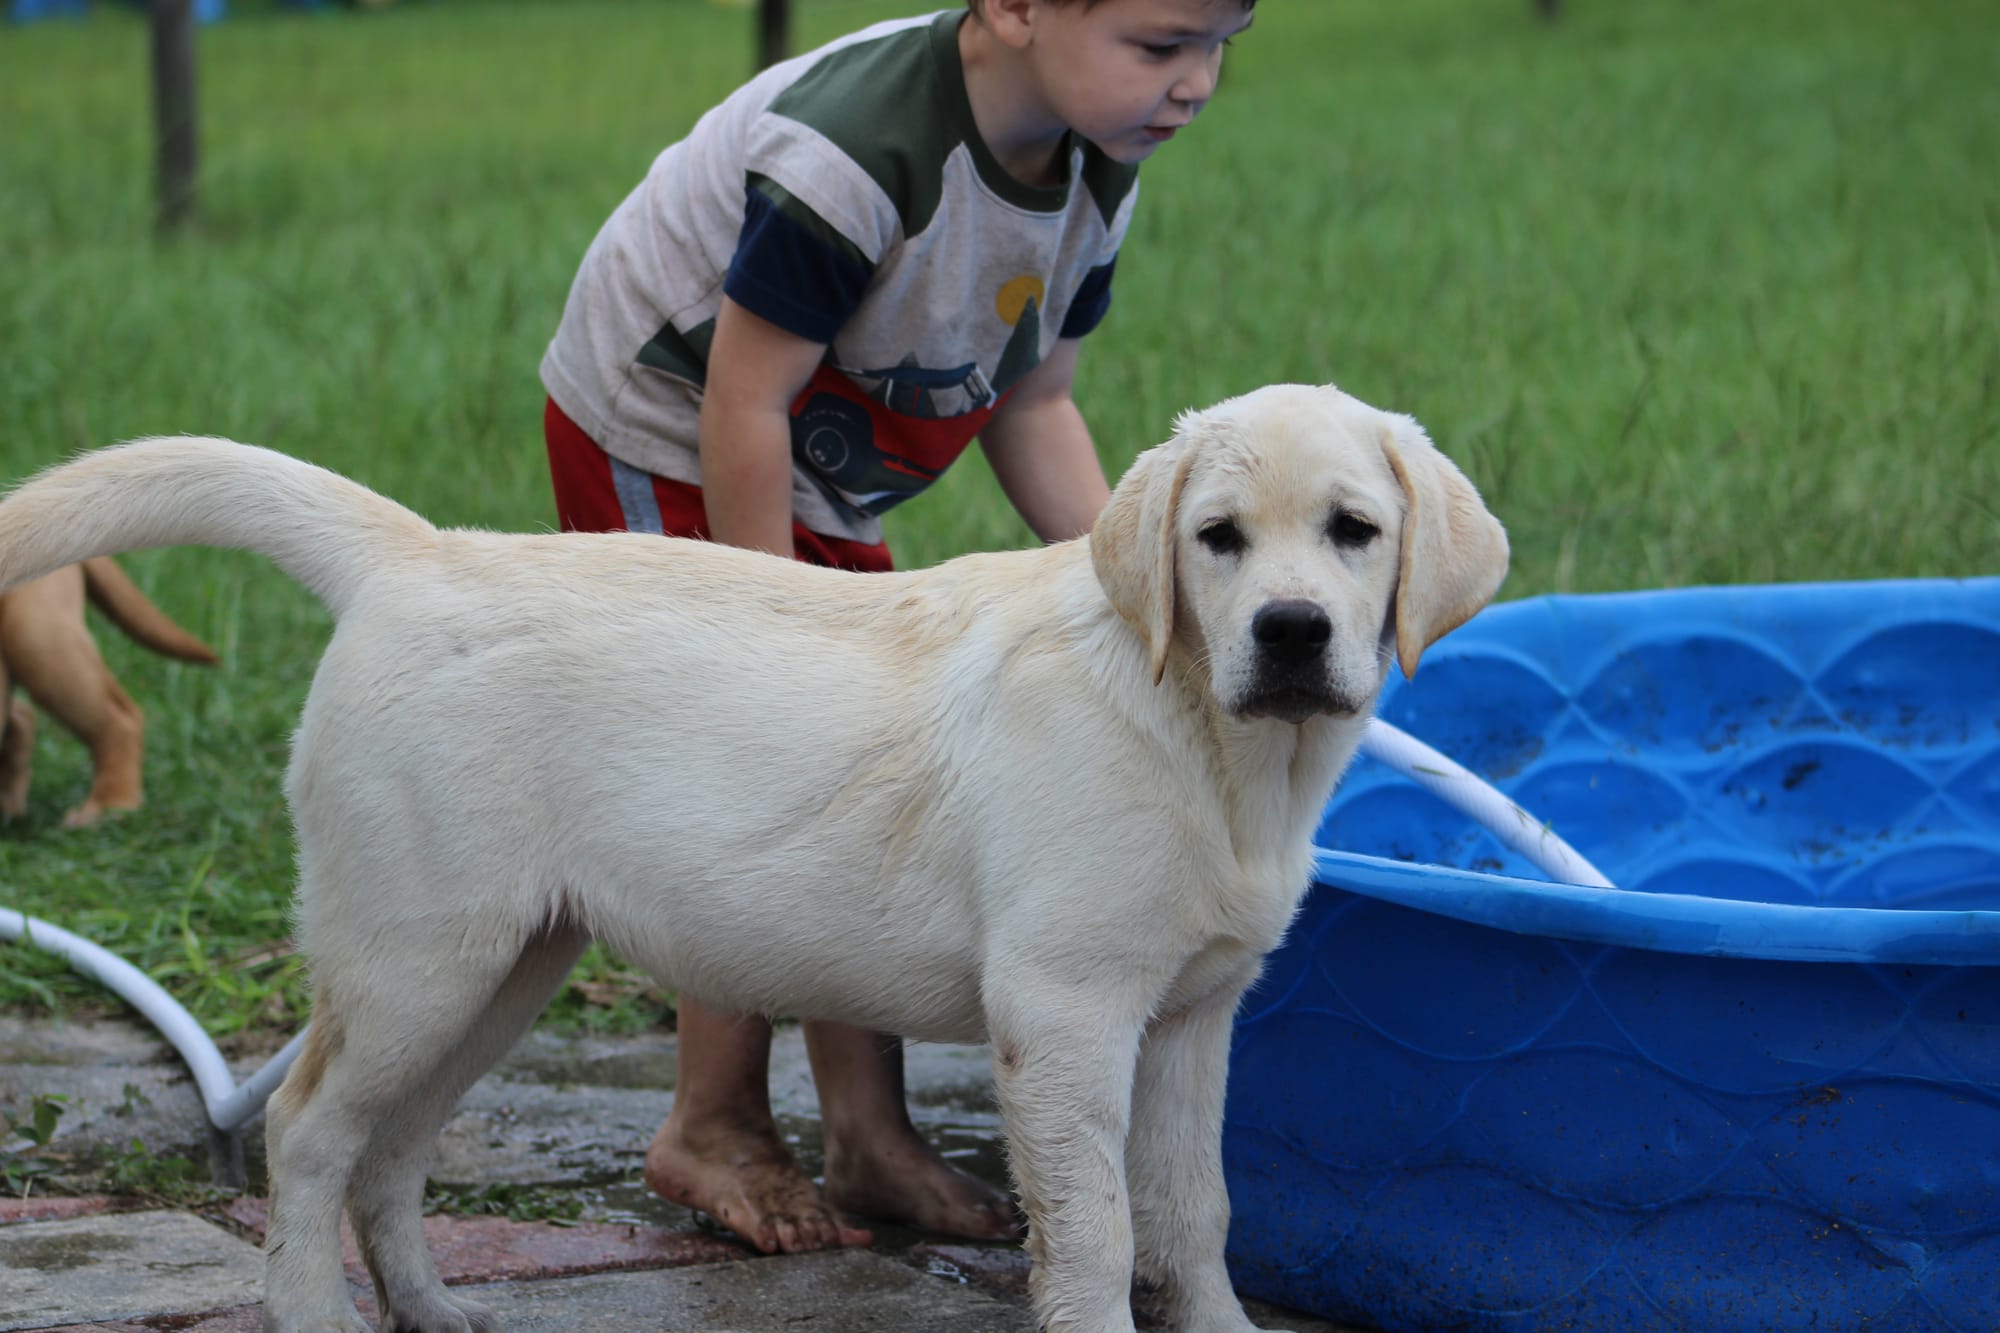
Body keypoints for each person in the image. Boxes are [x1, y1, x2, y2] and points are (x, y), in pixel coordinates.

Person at [538, 0, 1256, 1257]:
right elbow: (742, 400)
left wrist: (1136, 591)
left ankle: (868, 1138)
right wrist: (766, 634)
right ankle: (710, 1120)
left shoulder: (1100, 161)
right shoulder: (855, 157)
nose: (1193, 82)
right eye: (1160, 45)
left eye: (1220, 44)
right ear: (1016, 11)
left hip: (820, 461)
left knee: (866, 771)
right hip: (668, 427)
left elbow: (1035, 403)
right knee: (752, 768)